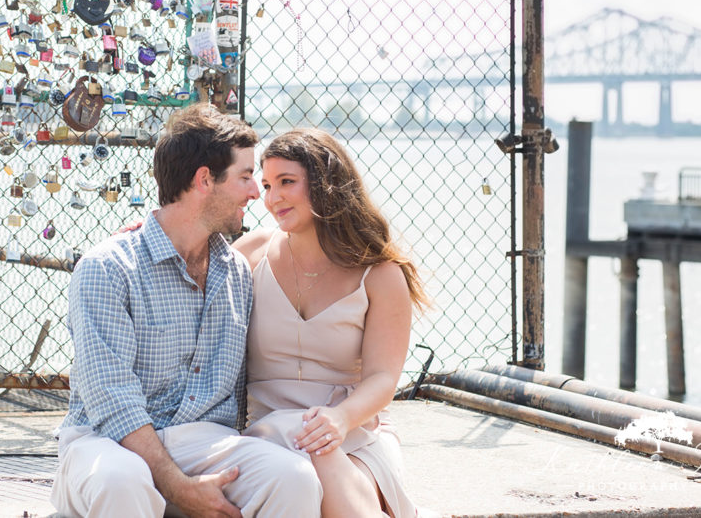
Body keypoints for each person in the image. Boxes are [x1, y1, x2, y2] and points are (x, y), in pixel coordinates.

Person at [51, 103, 322, 518]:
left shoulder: (237, 274)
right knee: (121, 481)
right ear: (204, 180)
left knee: (293, 478)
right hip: (107, 442)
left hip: (204, 442)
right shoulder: (107, 268)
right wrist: (179, 488)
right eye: (247, 177)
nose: (257, 193)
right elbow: (112, 403)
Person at [233, 128, 432, 518]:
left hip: (353, 435)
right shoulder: (252, 253)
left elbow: (382, 378)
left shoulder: (380, 274)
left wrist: (339, 419)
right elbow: (189, 275)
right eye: (268, 185)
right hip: (266, 435)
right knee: (303, 446)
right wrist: (149, 232)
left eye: (287, 182)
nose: (273, 198)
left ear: (326, 184)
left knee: (317, 449)